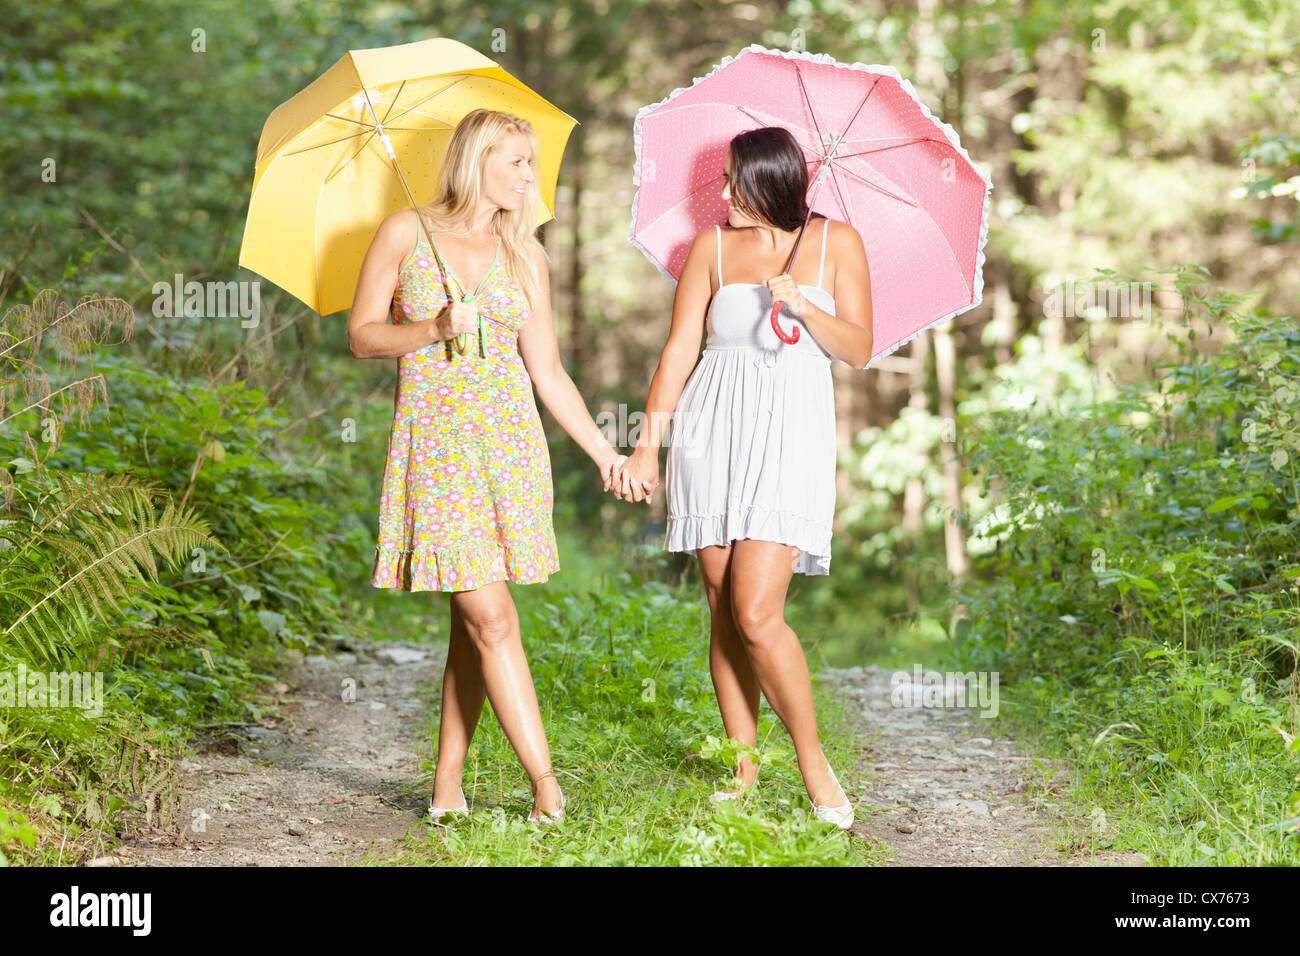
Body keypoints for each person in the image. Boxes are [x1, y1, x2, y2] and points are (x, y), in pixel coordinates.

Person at [348, 108, 626, 825]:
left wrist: (604, 453)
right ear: (476, 162)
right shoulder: (406, 232)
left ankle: (446, 783)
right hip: (436, 448)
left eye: (531, 163)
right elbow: (362, 336)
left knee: (473, 621)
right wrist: (432, 329)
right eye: (516, 163)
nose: (530, 177)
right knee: (491, 617)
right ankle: (547, 784)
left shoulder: (524, 252)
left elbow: (551, 372)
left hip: (510, 449)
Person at [613, 126, 873, 829]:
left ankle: (815, 766)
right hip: (708, 429)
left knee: (758, 612)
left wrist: (807, 306)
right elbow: (677, 352)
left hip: (792, 435)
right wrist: (646, 448)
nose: (721, 193)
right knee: (723, 602)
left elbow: (859, 348)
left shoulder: (836, 243)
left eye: (732, 180)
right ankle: (744, 765)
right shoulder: (711, 248)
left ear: (769, 181)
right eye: (722, 179)